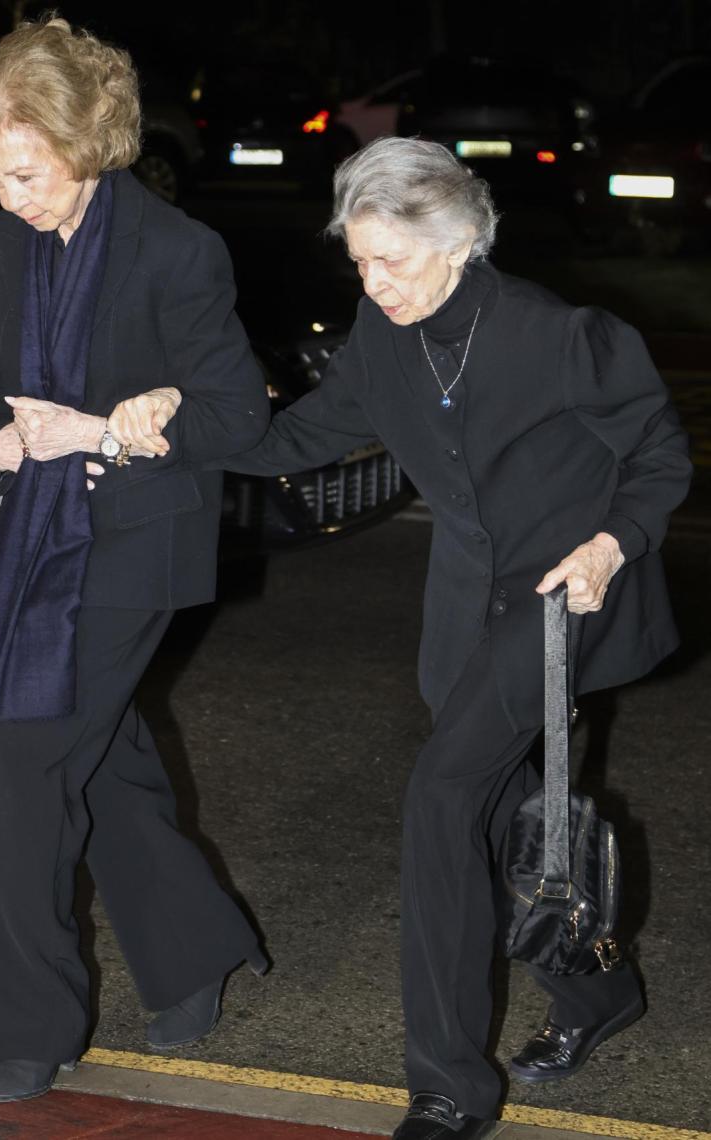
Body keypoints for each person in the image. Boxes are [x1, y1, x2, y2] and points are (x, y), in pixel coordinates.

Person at [120, 136, 692, 1139]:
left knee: (440, 800)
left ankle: (447, 1088)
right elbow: (298, 437)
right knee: (506, 811)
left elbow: (659, 452)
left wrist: (611, 544)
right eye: (360, 260)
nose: (374, 282)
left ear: (463, 241)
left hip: (561, 596)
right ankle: (600, 993)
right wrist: (182, 417)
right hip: (463, 603)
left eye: (394, 259)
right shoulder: (384, 333)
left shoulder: (558, 335)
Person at [0, 15, 270, 1104]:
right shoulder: (5, 241)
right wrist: (1, 437)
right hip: (39, 534)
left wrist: (108, 429)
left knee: (20, 761)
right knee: (105, 761)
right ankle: (198, 952)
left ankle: (26, 1029)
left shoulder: (178, 253)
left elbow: (236, 414)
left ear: (88, 139)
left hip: (136, 537)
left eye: (26, 174)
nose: (12, 199)